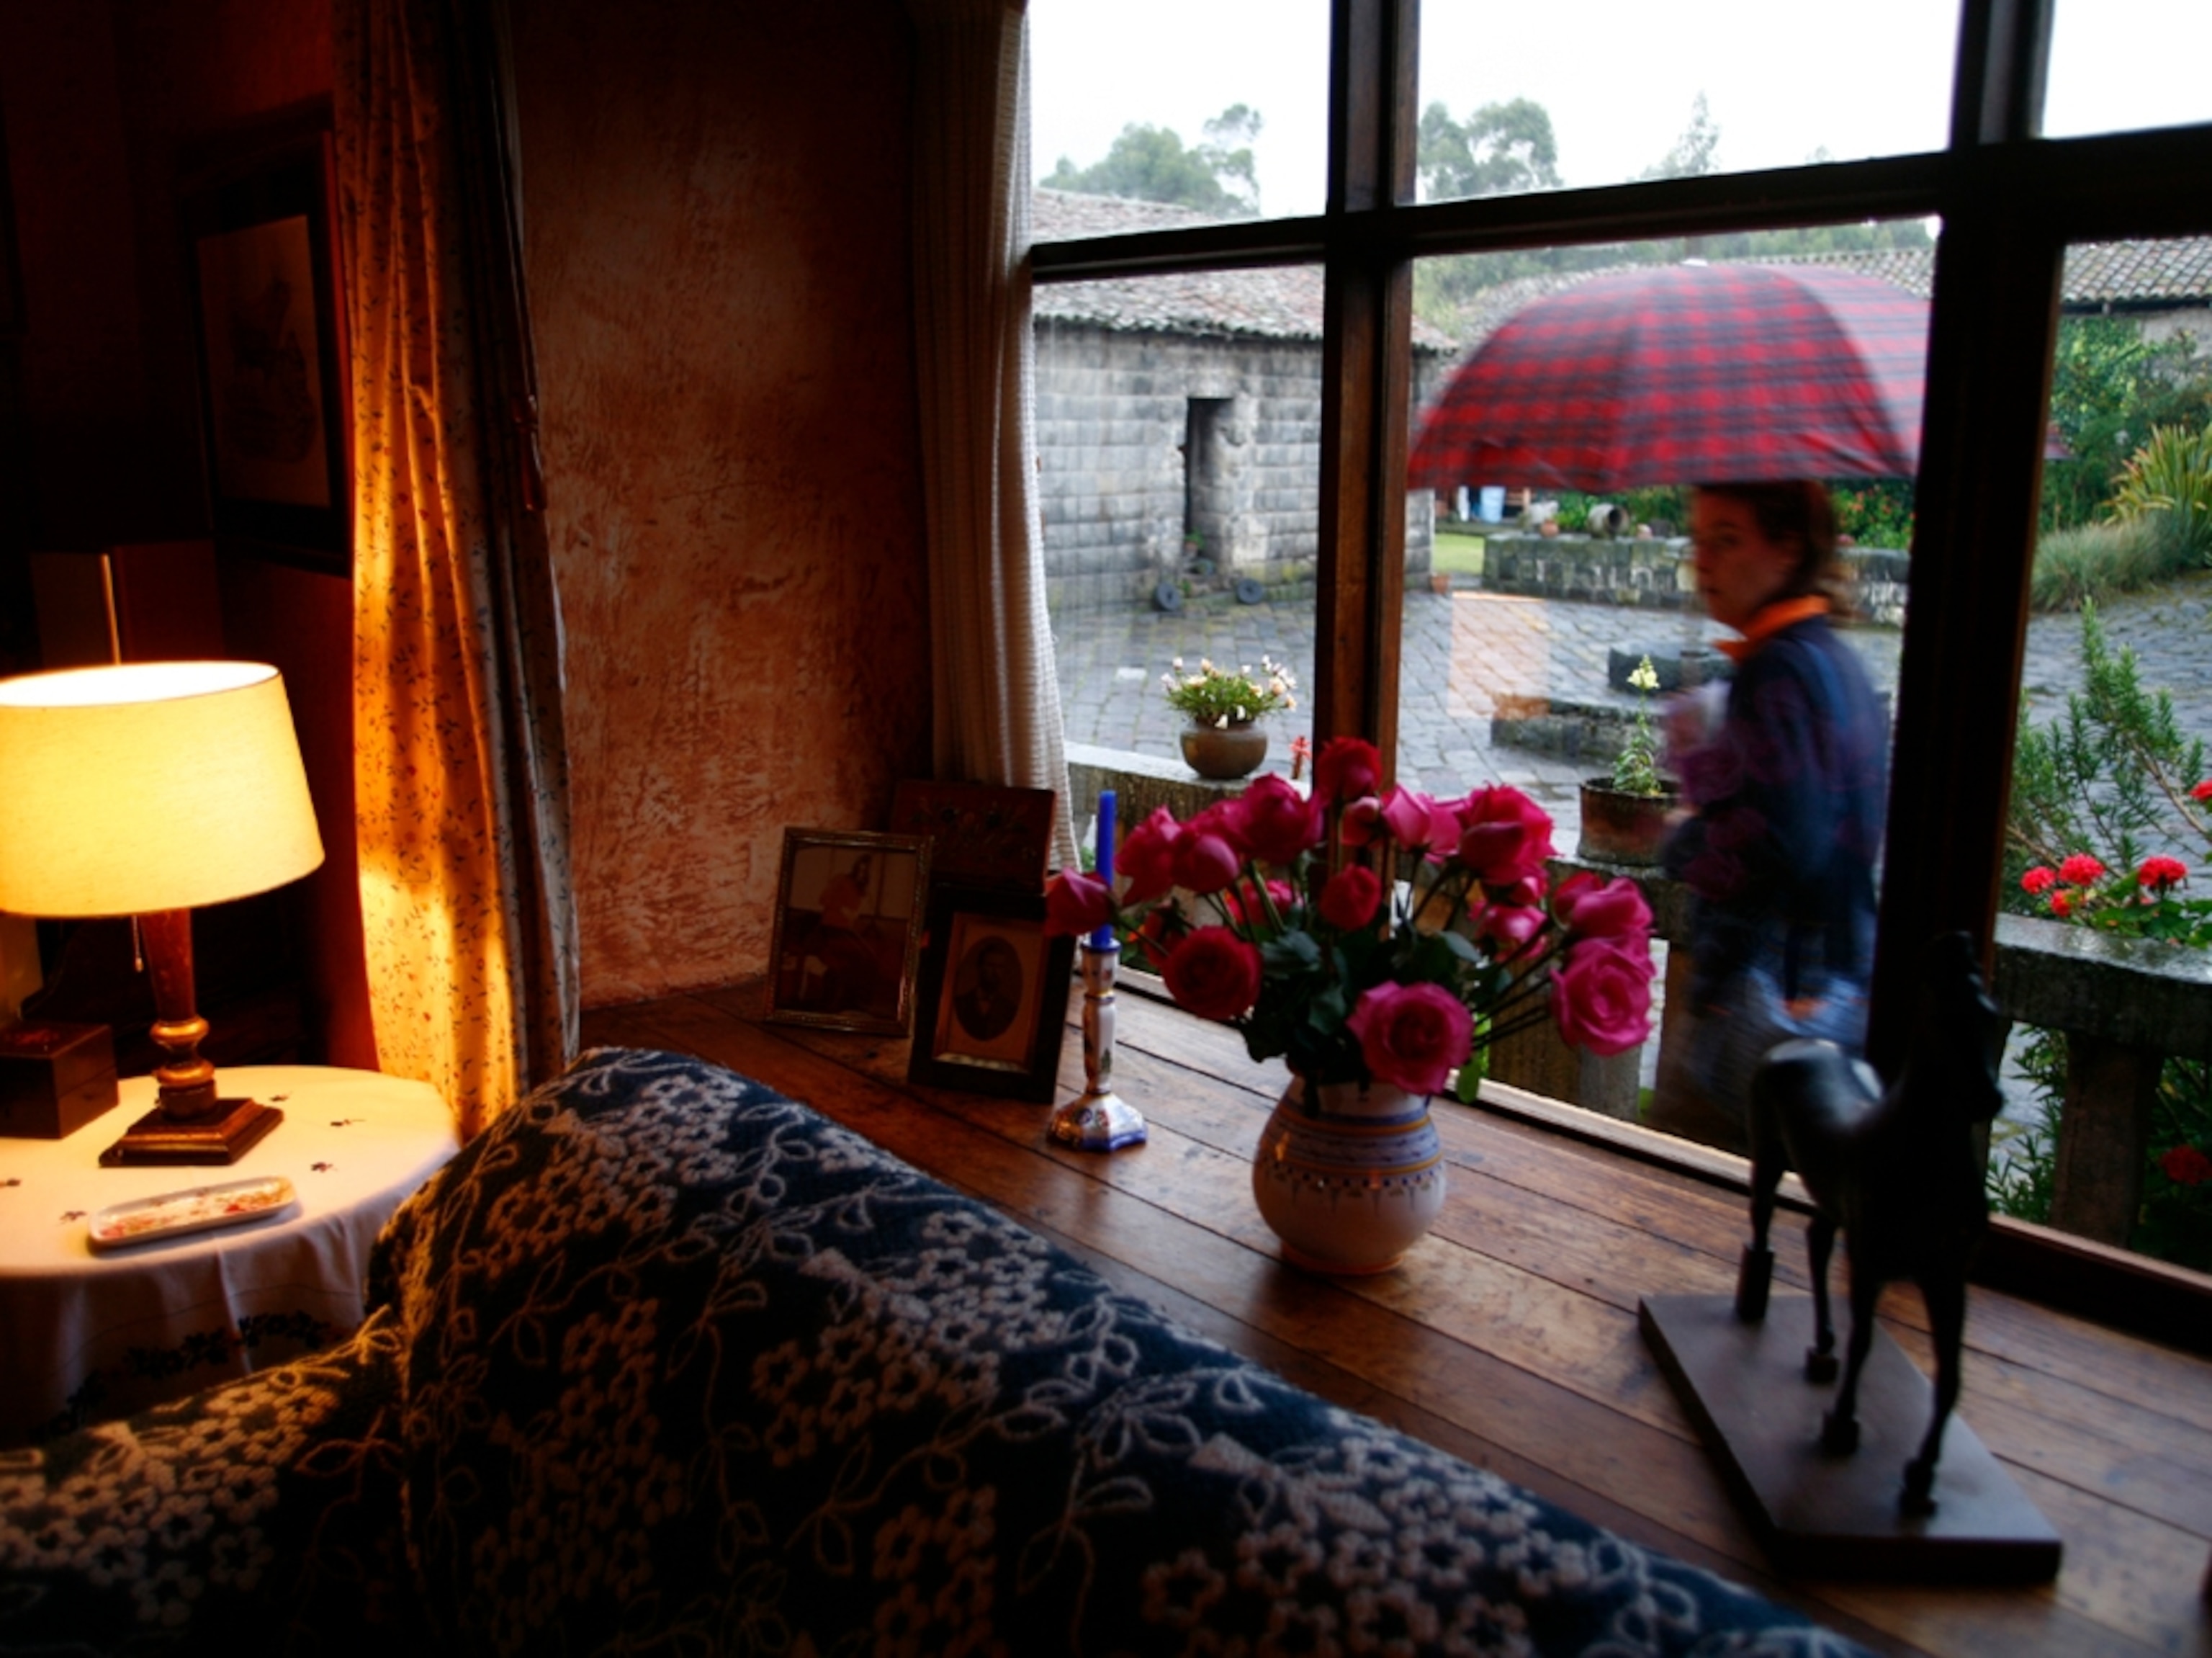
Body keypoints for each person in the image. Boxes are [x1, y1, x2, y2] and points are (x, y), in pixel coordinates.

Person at [1661, 480, 1889, 1137]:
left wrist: (1681, 836)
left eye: (1726, 541)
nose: (1703, 561)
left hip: (1770, 998)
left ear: (1788, 549)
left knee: (1691, 1201)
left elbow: (1781, 844)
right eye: (1699, 541)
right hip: (1841, 980)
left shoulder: (1778, 673)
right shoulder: (1833, 660)